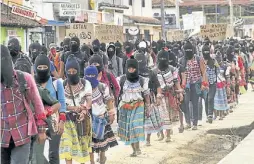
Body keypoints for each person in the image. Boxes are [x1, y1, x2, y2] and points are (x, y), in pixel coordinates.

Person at [1, 45, 47, 164]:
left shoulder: (25, 79)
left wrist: (41, 130)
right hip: (2, 137)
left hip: (22, 134)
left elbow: (38, 105)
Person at [59, 55, 92, 164]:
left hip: (82, 120)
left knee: (82, 148)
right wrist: (73, 108)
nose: (72, 73)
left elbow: (89, 101)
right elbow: (60, 104)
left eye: (74, 71)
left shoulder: (85, 83)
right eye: (69, 71)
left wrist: (83, 111)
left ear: (78, 71)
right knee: (68, 148)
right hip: (67, 120)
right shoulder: (62, 84)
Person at [34, 54, 66, 164]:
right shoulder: (31, 82)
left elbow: (61, 102)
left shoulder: (57, 83)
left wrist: (62, 121)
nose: (42, 70)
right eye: (39, 67)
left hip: (54, 121)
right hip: (37, 123)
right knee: (37, 154)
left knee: (53, 154)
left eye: (45, 67)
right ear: (35, 68)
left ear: (49, 67)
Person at [118, 56, 150, 157]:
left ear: (137, 69)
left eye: (133, 68)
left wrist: (148, 106)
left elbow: (146, 94)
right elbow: (116, 92)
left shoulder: (142, 80)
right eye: (129, 68)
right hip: (125, 106)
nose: (131, 70)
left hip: (138, 105)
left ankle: (138, 148)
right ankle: (134, 150)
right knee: (128, 128)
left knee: (135, 126)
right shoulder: (121, 79)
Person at [84, 66, 118, 164]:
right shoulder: (83, 88)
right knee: (90, 143)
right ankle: (92, 162)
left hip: (101, 118)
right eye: (88, 75)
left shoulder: (102, 87)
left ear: (97, 76)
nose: (90, 77)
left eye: (92, 75)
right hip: (88, 120)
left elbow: (108, 100)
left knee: (102, 143)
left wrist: (111, 113)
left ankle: (102, 157)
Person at [134, 52, 163, 146]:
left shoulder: (150, 72)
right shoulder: (132, 73)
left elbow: (158, 85)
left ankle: (148, 139)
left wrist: (158, 96)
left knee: (150, 118)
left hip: (149, 98)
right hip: (136, 99)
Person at [155, 49, 183, 141]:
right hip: (160, 95)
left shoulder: (173, 69)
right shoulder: (154, 71)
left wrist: (180, 92)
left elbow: (176, 81)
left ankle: (167, 135)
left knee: (169, 115)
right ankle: (163, 134)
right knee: (161, 115)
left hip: (171, 94)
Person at [179, 41, 208, 130]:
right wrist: (181, 87)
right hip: (186, 85)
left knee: (195, 103)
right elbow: (181, 74)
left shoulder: (199, 59)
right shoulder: (182, 60)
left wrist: (204, 83)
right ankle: (188, 122)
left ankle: (195, 123)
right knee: (186, 103)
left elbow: (204, 72)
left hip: (197, 84)